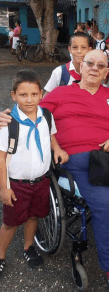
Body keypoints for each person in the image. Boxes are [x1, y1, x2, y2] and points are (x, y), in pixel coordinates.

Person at [0, 50, 109, 291]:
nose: (95, 68)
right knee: (105, 205)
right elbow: (27, 109)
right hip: (77, 161)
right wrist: (3, 116)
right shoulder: (61, 93)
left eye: (101, 65)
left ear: (107, 72)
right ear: (80, 66)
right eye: (90, 63)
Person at [0, 70, 69, 277]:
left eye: (33, 94)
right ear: (13, 96)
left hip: (41, 181)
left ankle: (28, 247)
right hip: (17, 183)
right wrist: (3, 188)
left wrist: (56, 148)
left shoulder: (46, 115)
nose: (29, 100)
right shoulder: (7, 124)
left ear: (41, 94)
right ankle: (1, 255)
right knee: (10, 223)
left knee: (34, 217)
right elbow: (1, 159)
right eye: (23, 95)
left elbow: (50, 135)